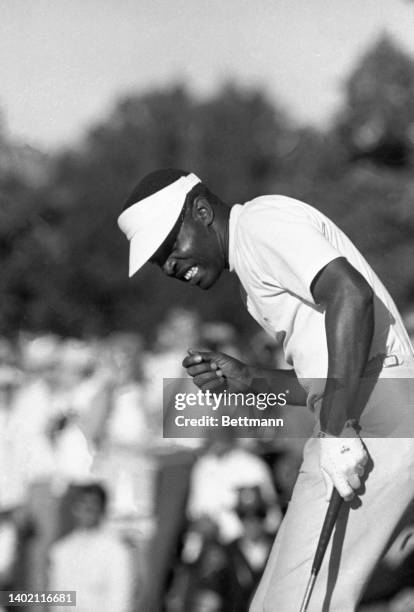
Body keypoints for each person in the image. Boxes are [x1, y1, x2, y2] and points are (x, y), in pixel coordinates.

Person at [117, 169, 414, 611]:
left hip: (374, 418)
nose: (170, 267)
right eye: (160, 263)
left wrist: (333, 432)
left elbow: (351, 295)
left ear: (201, 211)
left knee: (298, 603)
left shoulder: (259, 225)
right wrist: (250, 380)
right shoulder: (250, 268)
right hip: (368, 414)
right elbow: (322, 381)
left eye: (168, 247)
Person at [49, 483, 133, 612]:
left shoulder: (116, 550)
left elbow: (120, 600)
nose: (88, 509)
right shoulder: (61, 551)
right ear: (74, 508)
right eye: (82, 503)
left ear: (103, 510)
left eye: (93, 504)